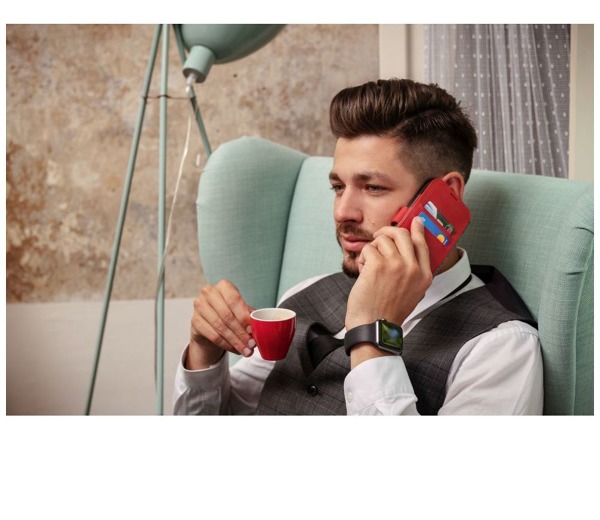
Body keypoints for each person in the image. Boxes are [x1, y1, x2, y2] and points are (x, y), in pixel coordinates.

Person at [173, 78, 543, 415]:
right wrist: (204, 353)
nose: (342, 212)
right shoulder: (305, 293)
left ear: (445, 197)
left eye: (373, 187)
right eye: (338, 187)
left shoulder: (501, 348)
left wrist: (372, 333)